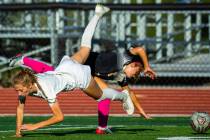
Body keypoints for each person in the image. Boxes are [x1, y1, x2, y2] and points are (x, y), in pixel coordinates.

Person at [11, 4, 134, 137]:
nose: (19, 93)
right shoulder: (26, 84)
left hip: (77, 76)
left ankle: (123, 96)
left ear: (29, 85)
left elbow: (59, 117)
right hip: (66, 66)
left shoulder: (46, 89)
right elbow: (20, 107)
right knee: (85, 46)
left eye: (20, 90)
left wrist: (35, 126)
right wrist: (18, 131)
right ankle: (98, 14)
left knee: (101, 97)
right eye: (17, 90)